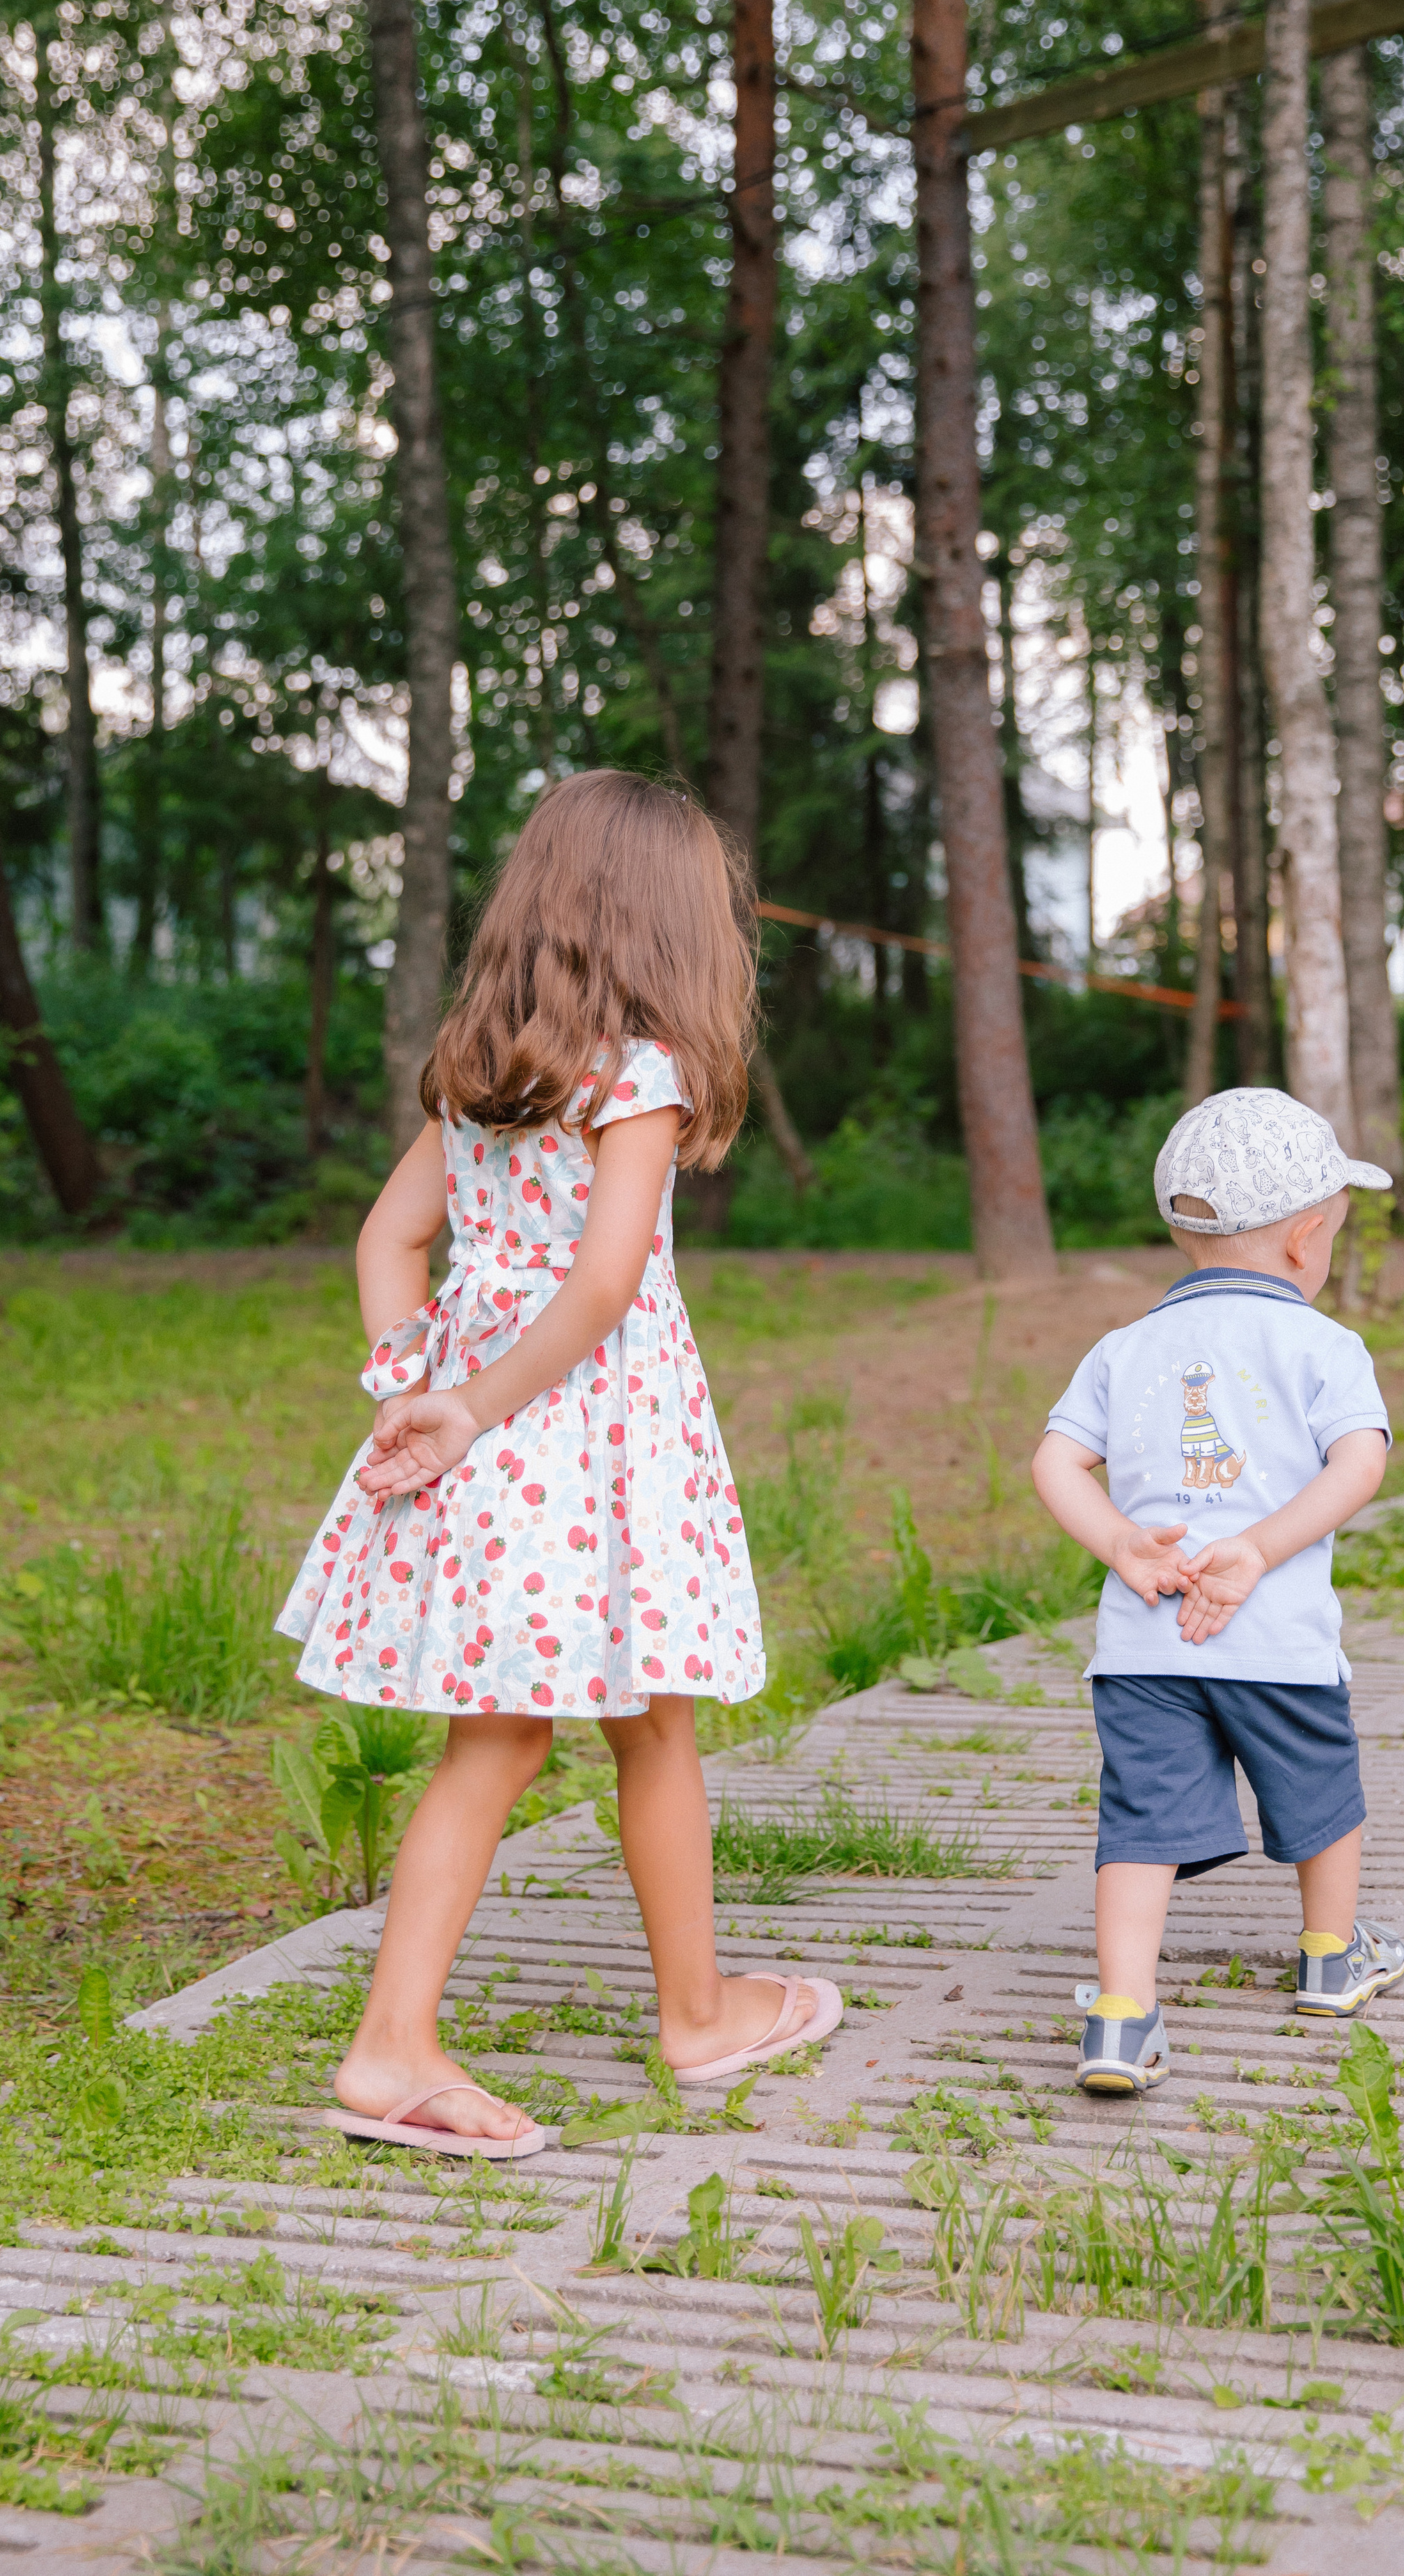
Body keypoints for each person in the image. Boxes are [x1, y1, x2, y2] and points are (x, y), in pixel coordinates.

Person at [276, 771, 841, 2158]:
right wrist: (459, 1406)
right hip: (579, 1436)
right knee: (625, 1723)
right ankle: (465, 2039)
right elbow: (601, 1289)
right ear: (663, 924)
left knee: (520, 1733)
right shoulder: (637, 1073)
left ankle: (615, 2015)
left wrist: (418, 1381)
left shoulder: (482, 1064)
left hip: (500, 1428)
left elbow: (385, 1241)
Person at [1031, 1086, 1404, 2098]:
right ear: (1305, 1236)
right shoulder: (1325, 1346)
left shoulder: (1124, 1349)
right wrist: (1256, 1546)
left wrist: (1123, 1544)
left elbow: (1056, 1462)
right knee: (1323, 1798)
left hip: (1147, 1642)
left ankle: (1121, 2013)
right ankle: (1332, 1956)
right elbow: (1359, 1463)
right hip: (1275, 1638)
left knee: (1140, 1821)